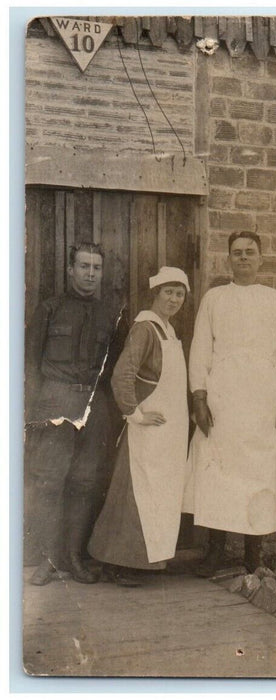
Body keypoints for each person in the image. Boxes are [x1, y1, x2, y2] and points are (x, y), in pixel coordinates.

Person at [183, 232, 276, 576]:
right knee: (219, 471)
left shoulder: (275, 300)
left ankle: (254, 554)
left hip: (264, 401)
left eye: (250, 252)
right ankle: (216, 552)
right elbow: (200, 348)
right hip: (224, 400)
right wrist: (199, 397)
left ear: (261, 259)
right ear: (228, 260)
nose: (244, 258)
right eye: (237, 253)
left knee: (259, 473)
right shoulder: (215, 299)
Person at [88, 267, 190, 585]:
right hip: (147, 431)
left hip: (169, 434)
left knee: (160, 495)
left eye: (179, 293)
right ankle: (119, 563)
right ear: (155, 295)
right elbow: (122, 374)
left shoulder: (168, 331)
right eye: (167, 292)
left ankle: (148, 560)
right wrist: (135, 414)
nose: (173, 299)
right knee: (136, 495)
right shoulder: (145, 328)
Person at [25, 242, 115, 585]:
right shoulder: (49, 309)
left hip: (93, 406)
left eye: (96, 268)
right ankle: (48, 560)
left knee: (86, 482)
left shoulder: (110, 313)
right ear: (70, 270)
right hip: (54, 403)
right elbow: (30, 364)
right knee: (49, 481)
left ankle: (75, 558)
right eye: (84, 266)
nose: (90, 273)